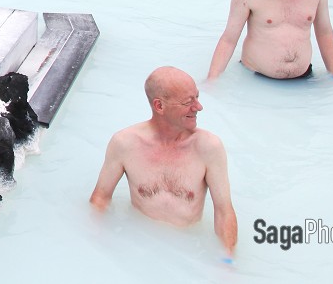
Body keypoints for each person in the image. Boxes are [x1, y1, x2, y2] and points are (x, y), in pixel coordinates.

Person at [89, 67, 237, 258]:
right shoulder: (125, 143)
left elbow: (224, 212)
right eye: (188, 102)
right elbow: (100, 199)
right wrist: (95, 247)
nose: (198, 107)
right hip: (137, 244)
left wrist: (227, 261)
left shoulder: (208, 147)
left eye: (197, 98)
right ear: (159, 106)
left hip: (188, 249)